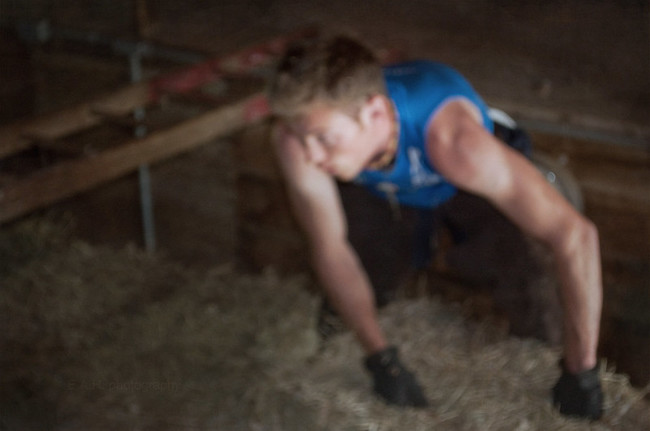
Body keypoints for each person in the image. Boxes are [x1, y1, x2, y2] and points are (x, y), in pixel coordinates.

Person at [267, 35, 604, 419]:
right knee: (368, 255)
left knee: (523, 272)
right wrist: (381, 358)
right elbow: (330, 248)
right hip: (379, 175)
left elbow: (576, 235)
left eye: (323, 138)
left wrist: (583, 370)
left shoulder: (456, 142)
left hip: (456, 174)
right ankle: (333, 344)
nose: (310, 154)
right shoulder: (302, 143)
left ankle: (551, 363)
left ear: (374, 114)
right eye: (300, 135)